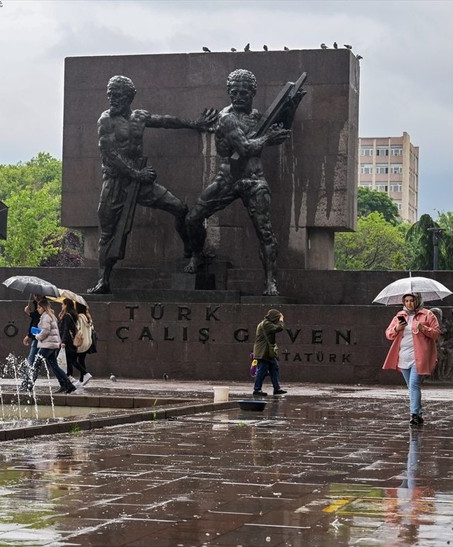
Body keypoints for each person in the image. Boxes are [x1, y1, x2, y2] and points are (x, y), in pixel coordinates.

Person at [88, 74, 217, 294]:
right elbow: (110, 154)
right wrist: (137, 174)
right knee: (109, 232)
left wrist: (194, 124)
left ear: (130, 97)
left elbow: (166, 121)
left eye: (117, 95)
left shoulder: (139, 117)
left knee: (180, 208)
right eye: (110, 95)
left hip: (140, 182)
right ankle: (104, 280)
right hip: (116, 183)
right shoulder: (105, 120)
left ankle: (192, 249)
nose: (112, 99)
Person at [185, 69, 304, 296]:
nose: (238, 96)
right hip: (227, 179)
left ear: (253, 93)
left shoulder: (258, 116)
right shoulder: (226, 118)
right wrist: (268, 138)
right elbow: (246, 148)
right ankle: (197, 254)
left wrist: (291, 106)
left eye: (244, 92)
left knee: (265, 232)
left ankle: (270, 282)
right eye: (234, 92)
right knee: (193, 218)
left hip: (254, 179)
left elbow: (280, 130)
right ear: (229, 92)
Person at [382, 293, 441, 427]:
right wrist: (397, 328)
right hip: (403, 357)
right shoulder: (400, 315)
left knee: (414, 385)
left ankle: (414, 414)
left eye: (412, 300)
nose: (409, 303)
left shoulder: (427, 315)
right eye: (406, 301)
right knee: (411, 386)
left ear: (418, 300)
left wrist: (423, 328)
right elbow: (388, 334)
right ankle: (418, 414)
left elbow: (436, 333)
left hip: (419, 357)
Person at [24, 298, 76, 394]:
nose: (38, 309)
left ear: (44, 308)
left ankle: (29, 386)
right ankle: (66, 385)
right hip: (52, 345)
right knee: (54, 366)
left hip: (47, 345)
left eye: (39, 307)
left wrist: (37, 336)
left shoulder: (46, 317)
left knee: (36, 364)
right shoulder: (50, 316)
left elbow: (46, 331)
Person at [252, 308, 287, 397]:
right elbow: (279, 328)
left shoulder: (266, 323)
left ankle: (277, 389)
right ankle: (257, 389)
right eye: (277, 318)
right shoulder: (266, 324)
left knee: (274, 368)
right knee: (262, 371)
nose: (277, 320)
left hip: (268, 352)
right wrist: (281, 320)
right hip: (263, 352)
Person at [58, 298, 91, 387]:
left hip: (68, 342)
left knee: (71, 360)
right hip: (72, 341)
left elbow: (66, 329)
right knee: (70, 360)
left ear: (65, 305)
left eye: (62, 304)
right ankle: (71, 377)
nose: (61, 306)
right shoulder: (72, 315)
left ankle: (84, 374)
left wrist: (63, 341)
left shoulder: (67, 316)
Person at [74, 302, 95, 386]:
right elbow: (92, 328)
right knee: (81, 360)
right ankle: (82, 379)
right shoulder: (88, 317)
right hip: (87, 342)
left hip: (80, 342)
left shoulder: (79, 318)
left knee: (72, 359)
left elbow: (77, 328)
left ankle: (85, 374)